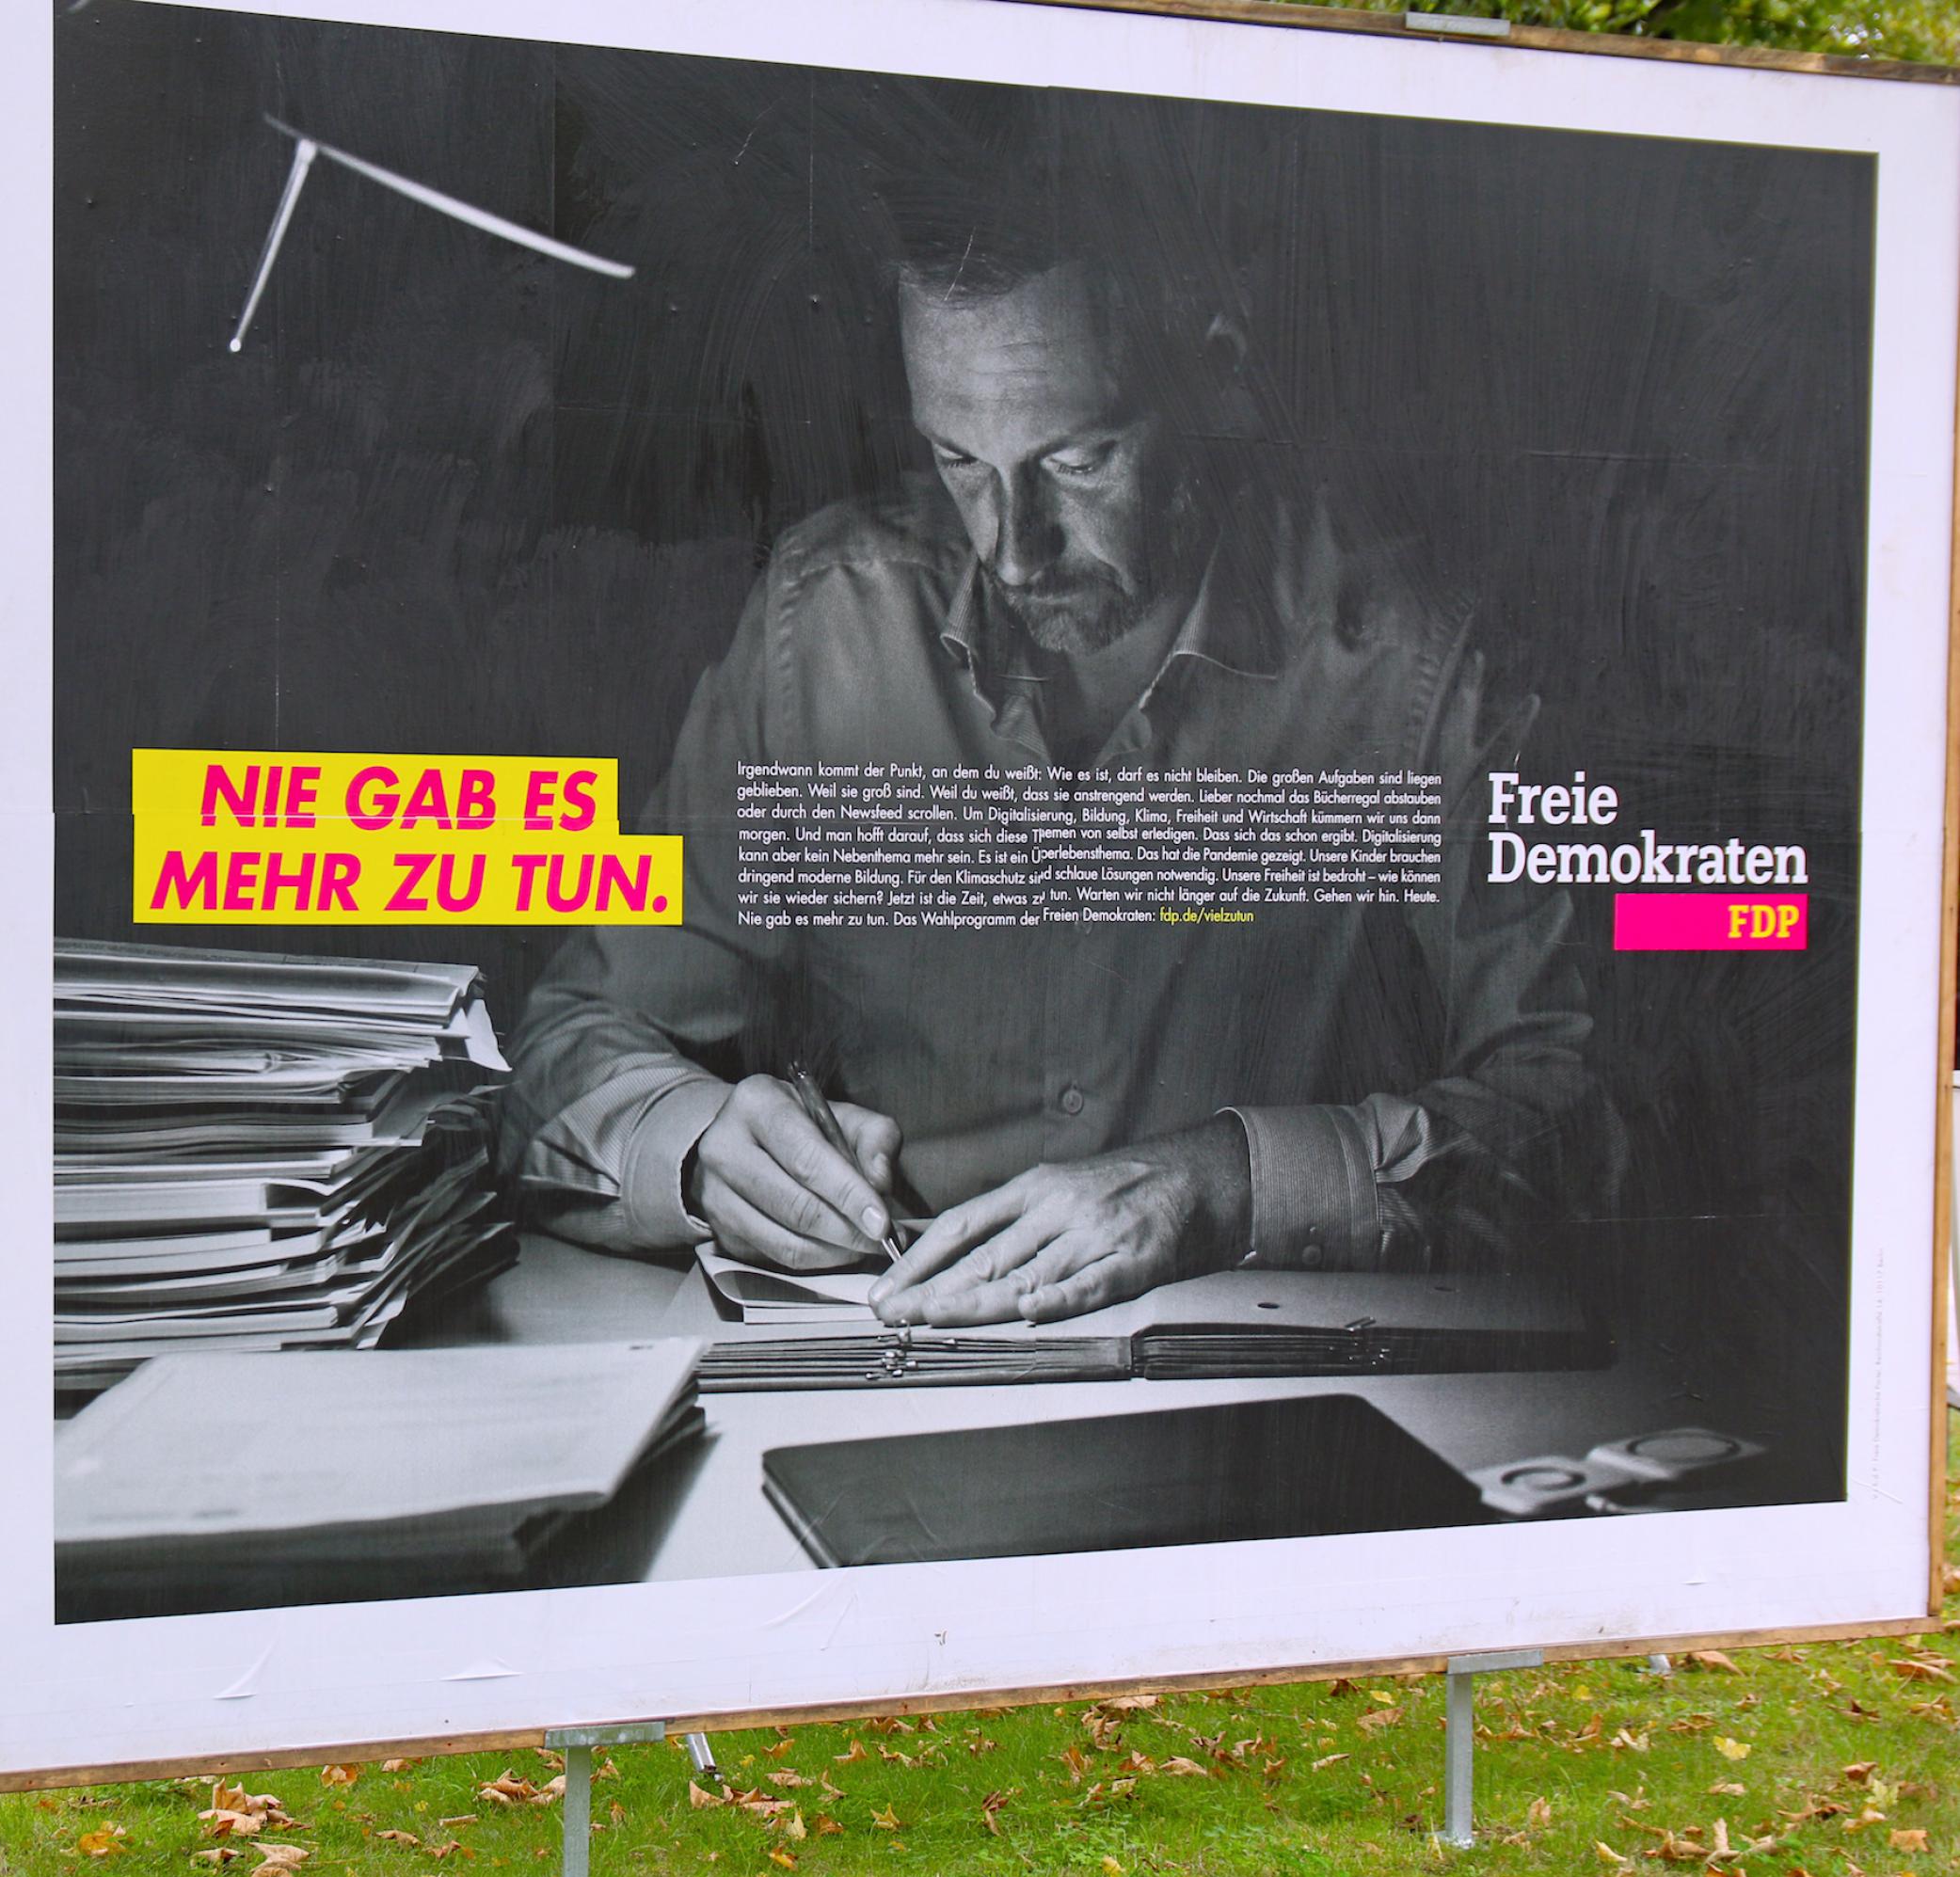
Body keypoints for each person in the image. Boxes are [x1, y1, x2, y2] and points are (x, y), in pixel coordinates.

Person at [502, 157, 1610, 1330]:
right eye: (959, 463)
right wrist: (696, 1144)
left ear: (1215, 382)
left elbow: (1584, 1107)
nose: (1012, 550)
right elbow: (572, 1035)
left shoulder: (1415, 667)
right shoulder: (818, 624)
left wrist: (1227, 1186)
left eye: (1078, 459)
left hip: (1276, 1397)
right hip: (887, 1373)